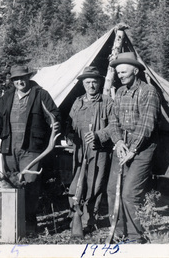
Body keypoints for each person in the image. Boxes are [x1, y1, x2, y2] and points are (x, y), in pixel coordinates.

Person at [0, 65, 60, 235]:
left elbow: (55, 113)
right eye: (16, 79)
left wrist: (54, 122)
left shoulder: (41, 94)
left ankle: (30, 222)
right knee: (9, 185)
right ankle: (11, 222)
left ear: (28, 77)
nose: (20, 81)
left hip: (31, 149)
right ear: (12, 81)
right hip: (9, 148)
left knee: (30, 185)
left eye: (23, 78)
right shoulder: (7, 97)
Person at [99, 52, 160, 244]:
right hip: (123, 147)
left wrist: (132, 150)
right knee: (111, 190)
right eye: (118, 73)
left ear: (135, 70)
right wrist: (118, 142)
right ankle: (119, 231)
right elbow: (113, 121)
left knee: (129, 193)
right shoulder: (121, 93)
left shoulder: (148, 91)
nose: (120, 75)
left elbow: (146, 125)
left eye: (123, 72)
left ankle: (136, 237)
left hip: (142, 149)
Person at [66, 66, 114, 237]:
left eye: (94, 82)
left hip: (99, 151)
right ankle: (74, 216)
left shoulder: (107, 102)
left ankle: (89, 220)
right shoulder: (77, 102)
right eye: (88, 82)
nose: (91, 86)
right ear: (83, 84)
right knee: (76, 185)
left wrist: (98, 135)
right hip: (79, 151)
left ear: (100, 83)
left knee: (95, 185)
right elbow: (70, 127)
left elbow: (115, 126)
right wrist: (71, 137)